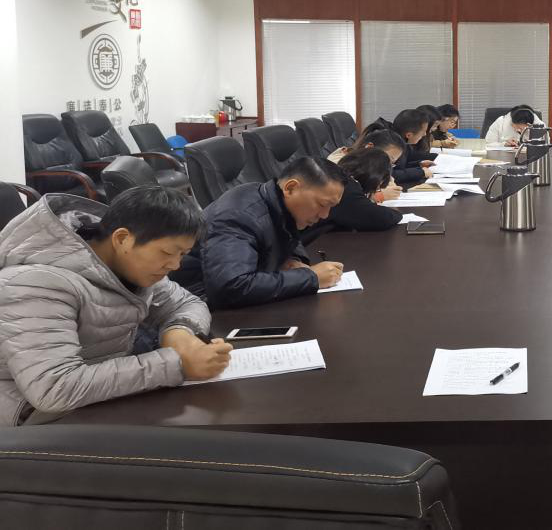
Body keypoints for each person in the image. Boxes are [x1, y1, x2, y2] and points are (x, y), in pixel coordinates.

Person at [0, 187, 232, 426]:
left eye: (182, 254)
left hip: (98, 400)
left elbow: (187, 302)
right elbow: (54, 389)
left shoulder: (129, 264)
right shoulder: (35, 284)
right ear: (122, 239)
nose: (175, 265)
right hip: (34, 424)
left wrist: (179, 333)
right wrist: (178, 364)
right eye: (167, 252)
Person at [173, 157, 347, 309]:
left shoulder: (275, 201)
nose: (325, 215)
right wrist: (311, 277)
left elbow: (286, 234)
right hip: (197, 305)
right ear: (291, 188)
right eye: (322, 204)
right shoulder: (239, 215)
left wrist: (293, 259)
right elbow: (230, 287)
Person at [391, 108, 435, 184]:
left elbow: (401, 166)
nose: (424, 134)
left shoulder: (404, 144)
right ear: (409, 135)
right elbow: (389, 174)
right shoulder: (391, 147)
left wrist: (419, 164)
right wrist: (420, 172)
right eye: (423, 131)